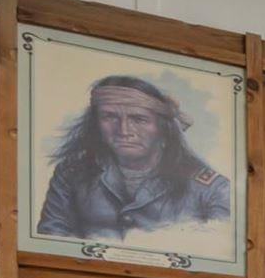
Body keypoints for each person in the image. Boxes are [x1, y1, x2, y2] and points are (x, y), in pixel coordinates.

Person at [36, 74, 230, 239]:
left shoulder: (211, 189)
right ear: (95, 124)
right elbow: (51, 240)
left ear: (163, 129)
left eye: (139, 119)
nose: (124, 131)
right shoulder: (71, 175)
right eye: (110, 117)